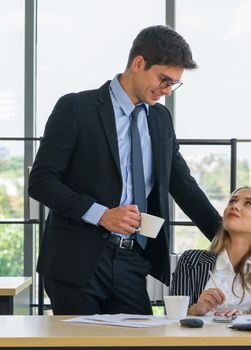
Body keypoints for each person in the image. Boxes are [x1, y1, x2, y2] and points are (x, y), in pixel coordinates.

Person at [28, 25, 221, 315]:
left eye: (174, 84)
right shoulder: (76, 108)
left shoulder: (160, 119)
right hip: (76, 262)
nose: (167, 91)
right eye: (164, 79)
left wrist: (229, 241)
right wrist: (102, 215)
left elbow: (183, 186)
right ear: (138, 63)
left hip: (132, 261)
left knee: (142, 342)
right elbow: (41, 181)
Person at [170, 186, 251, 315]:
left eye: (248, 203)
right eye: (232, 201)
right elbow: (172, 318)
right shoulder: (190, 261)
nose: (235, 206)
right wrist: (196, 309)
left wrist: (244, 323)